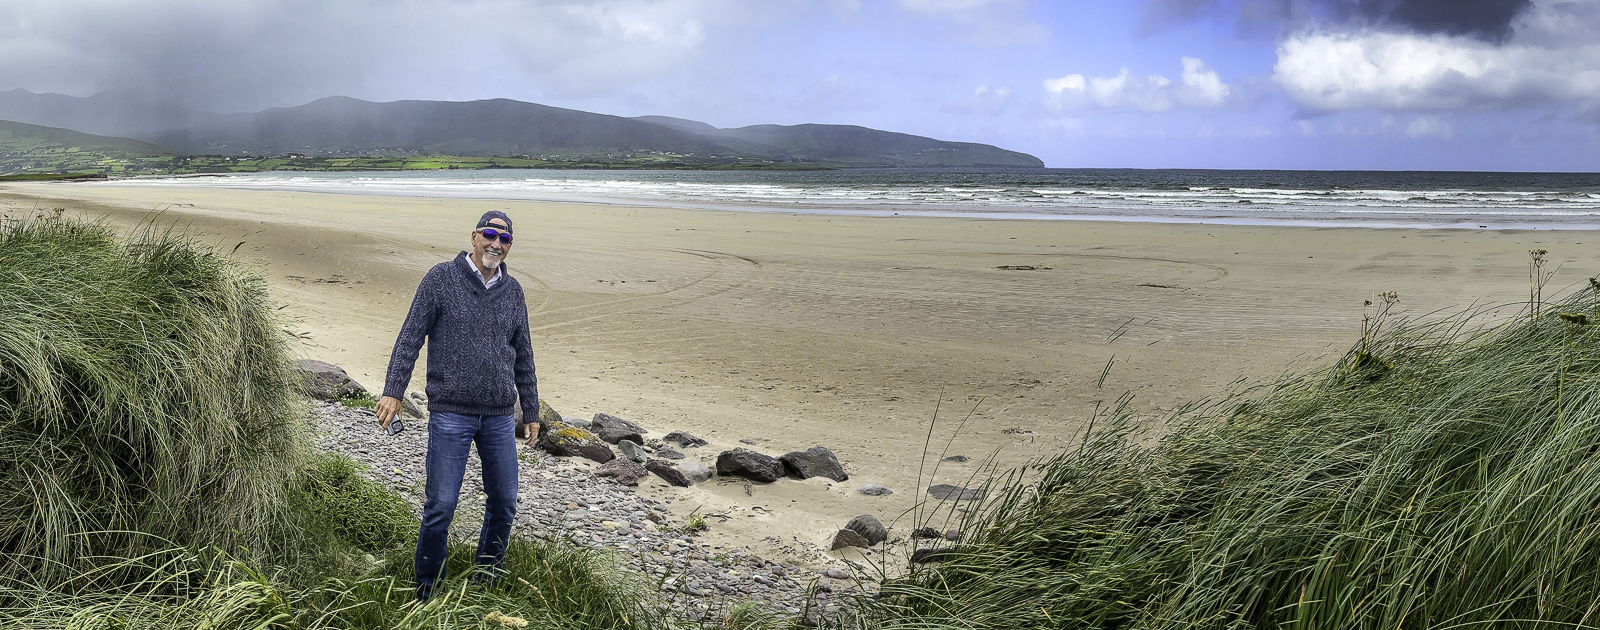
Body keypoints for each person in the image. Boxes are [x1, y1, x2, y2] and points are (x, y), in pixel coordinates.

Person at [375, 210, 539, 601]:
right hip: (450, 413)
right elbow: (410, 337)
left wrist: (531, 410)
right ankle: (428, 594)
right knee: (441, 506)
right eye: (490, 235)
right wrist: (393, 391)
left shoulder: (513, 291)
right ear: (474, 237)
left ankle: (486, 584)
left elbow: (524, 354)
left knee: (504, 503)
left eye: (504, 239)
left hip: (499, 416)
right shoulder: (441, 279)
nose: (496, 244)